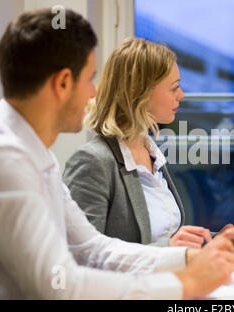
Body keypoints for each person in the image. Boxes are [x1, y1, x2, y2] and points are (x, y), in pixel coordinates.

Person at [0, 8, 234, 300]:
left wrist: (189, 260)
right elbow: (60, 284)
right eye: (89, 79)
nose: (93, 93)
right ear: (62, 84)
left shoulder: (37, 156)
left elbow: (93, 248)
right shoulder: (1, 159)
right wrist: (185, 285)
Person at [63, 38, 223, 248]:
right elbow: (83, 256)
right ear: (142, 93)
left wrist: (206, 241)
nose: (181, 95)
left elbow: (165, 236)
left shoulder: (152, 153)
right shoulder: (92, 162)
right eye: (174, 88)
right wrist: (168, 250)